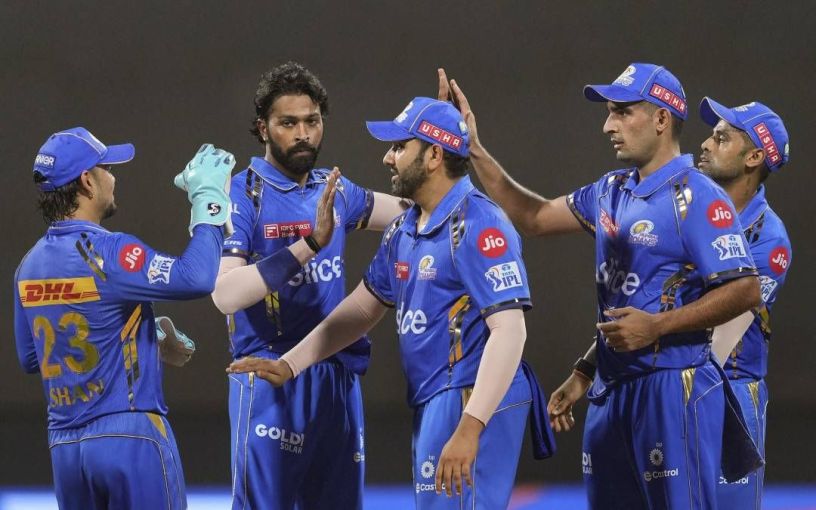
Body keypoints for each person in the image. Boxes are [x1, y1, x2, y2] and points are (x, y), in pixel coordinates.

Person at [438, 64, 762, 509]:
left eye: (622, 112)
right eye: (610, 113)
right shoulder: (611, 189)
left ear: (661, 118)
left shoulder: (698, 196)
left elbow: (746, 290)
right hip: (610, 391)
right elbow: (533, 217)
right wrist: (474, 149)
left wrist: (658, 326)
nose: (608, 125)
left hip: (672, 389)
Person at [228, 96, 555, 509]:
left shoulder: (479, 223)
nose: (387, 157)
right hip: (436, 397)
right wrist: (290, 364)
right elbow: (360, 310)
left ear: (434, 155)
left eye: (400, 147)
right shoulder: (404, 229)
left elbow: (510, 331)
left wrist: (471, 426)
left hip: (470, 395)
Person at [210, 62, 408, 510]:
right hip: (267, 377)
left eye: (312, 121)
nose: (303, 134)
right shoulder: (241, 194)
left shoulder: (334, 189)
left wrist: (448, 147)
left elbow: (417, 211)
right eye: (288, 123)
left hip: (335, 375)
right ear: (263, 127)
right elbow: (225, 294)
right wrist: (309, 244)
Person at [14, 128, 233, 509]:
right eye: (108, 168)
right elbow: (196, 277)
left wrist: (136, 333)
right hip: (129, 437)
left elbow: (32, 358)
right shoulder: (108, 251)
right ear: (87, 180)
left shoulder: (27, 266)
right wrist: (209, 200)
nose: (113, 178)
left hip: (65, 450)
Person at [697, 98, 791, 509]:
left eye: (721, 138)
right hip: (668, 380)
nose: (704, 144)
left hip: (729, 393)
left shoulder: (769, 240)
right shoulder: (685, 209)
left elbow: (719, 341)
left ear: (754, 157)